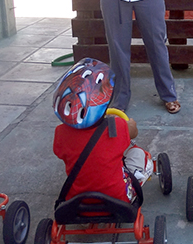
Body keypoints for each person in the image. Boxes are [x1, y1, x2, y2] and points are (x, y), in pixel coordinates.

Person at [52, 58, 153, 204]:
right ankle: (135, 180)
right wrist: (130, 123)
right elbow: (134, 132)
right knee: (139, 154)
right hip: (118, 199)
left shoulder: (60, 133)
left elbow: (63, 153)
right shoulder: (117, 125)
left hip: (77, 200)